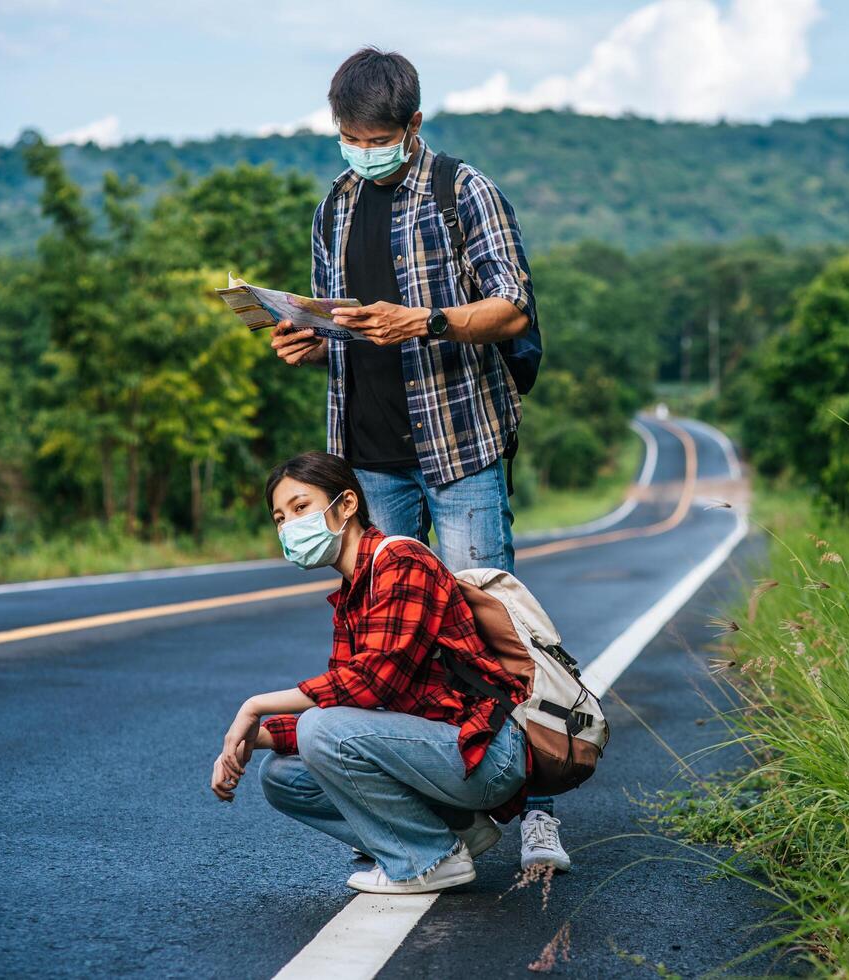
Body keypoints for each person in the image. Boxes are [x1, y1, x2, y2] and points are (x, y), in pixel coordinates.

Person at [267, 46, 569, 871]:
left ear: (412, 126)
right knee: (393, 639)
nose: (361, 149)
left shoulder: (460, 190)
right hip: (366, 458)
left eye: (375, 136)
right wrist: (304, 337)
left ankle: (535, 807)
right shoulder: (334, 204)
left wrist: (427, 320)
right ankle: (444, 816)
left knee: (487, 624)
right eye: (347, 136)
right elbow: (341, 320)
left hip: (458, 443)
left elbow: (510, 305)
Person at [210, 452, 530, 894]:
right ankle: (457, 830)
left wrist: (255, 706)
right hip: (437, 751)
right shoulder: (352, 592)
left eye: (301, 508)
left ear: (346, 505)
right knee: (280, 776)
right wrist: (251, 741)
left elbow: (371, 682)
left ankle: (427, 860)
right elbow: (345, 702)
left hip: (486, 753)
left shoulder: (402, 562)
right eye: (279, 518)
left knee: (322, 728)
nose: (289, 527)